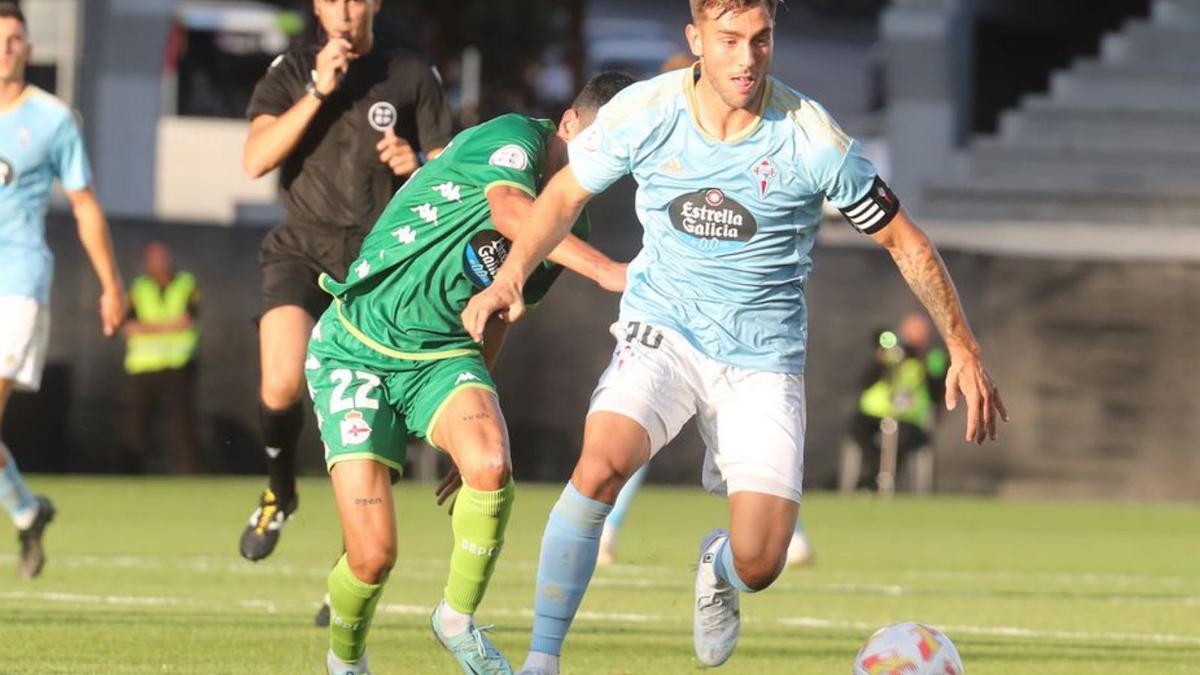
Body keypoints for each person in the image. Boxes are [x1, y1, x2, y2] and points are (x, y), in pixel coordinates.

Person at [461, 1, 1009, 672]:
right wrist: (510, 275)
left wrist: (964, 346)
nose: (746, 57)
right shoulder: (647, 112)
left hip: (762, 360)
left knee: (763, 558)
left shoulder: (812, 139)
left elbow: (902, 237)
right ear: (696, 40)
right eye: (729, 40)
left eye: (760, 39)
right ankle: (540, 661)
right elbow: (564, 194)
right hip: (662, 326)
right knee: (600, 460)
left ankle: (717, 567)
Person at [310, 72, 634, 675]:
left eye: (620, 155)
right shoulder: (515, 139)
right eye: (597, 143)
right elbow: (510, 210)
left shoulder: (575, 225)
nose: (604, 164)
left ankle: (456, 617)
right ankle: (346, 659)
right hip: (357, 344)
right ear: (567, 124)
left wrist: (474, 405)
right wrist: (608, 272)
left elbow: (503, 304)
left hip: (443, 357)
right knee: (373, 557)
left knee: (489, 464)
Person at [238, 0, 454, 561]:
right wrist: (316, 91)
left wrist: (418, 164)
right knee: (281, 382)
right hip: (301, 248)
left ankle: (351, 553)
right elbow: (256, 158)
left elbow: (453, 176)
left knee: (367, 411)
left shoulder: (410, 74)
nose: (345, 10)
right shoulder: (290, 70)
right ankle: (280, 488)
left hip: (377, 263)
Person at [0, 2, 125, 579]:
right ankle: (26, 512)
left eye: (15, 39)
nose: (7, 47)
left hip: (19, 283)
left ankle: (26, 512)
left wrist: (110, 285)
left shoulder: (52, 119)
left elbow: (84, 204)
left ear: (29, 47)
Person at [120, 242, 201, 474]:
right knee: (135, 425)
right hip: (142, 367)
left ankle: (191, 473)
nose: (160, 263)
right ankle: (128, 475)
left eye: (163, 257)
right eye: (154, 258)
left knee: (183, 424)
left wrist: (149, 328)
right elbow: (129, 327)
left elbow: (188, 320)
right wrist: (169, 326)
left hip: (179, 364)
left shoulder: (186, 283)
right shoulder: (139, 288)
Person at [844, 313, 948, 492]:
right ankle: (876, 475)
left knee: (903, 438)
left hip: (909, 419)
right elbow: (864, 381)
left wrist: (923, 360)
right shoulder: (890, 355)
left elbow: (937, 392)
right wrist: (882, 358)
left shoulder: (931, 357)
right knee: (857, 427)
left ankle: (872, 483)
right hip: (875, 415)